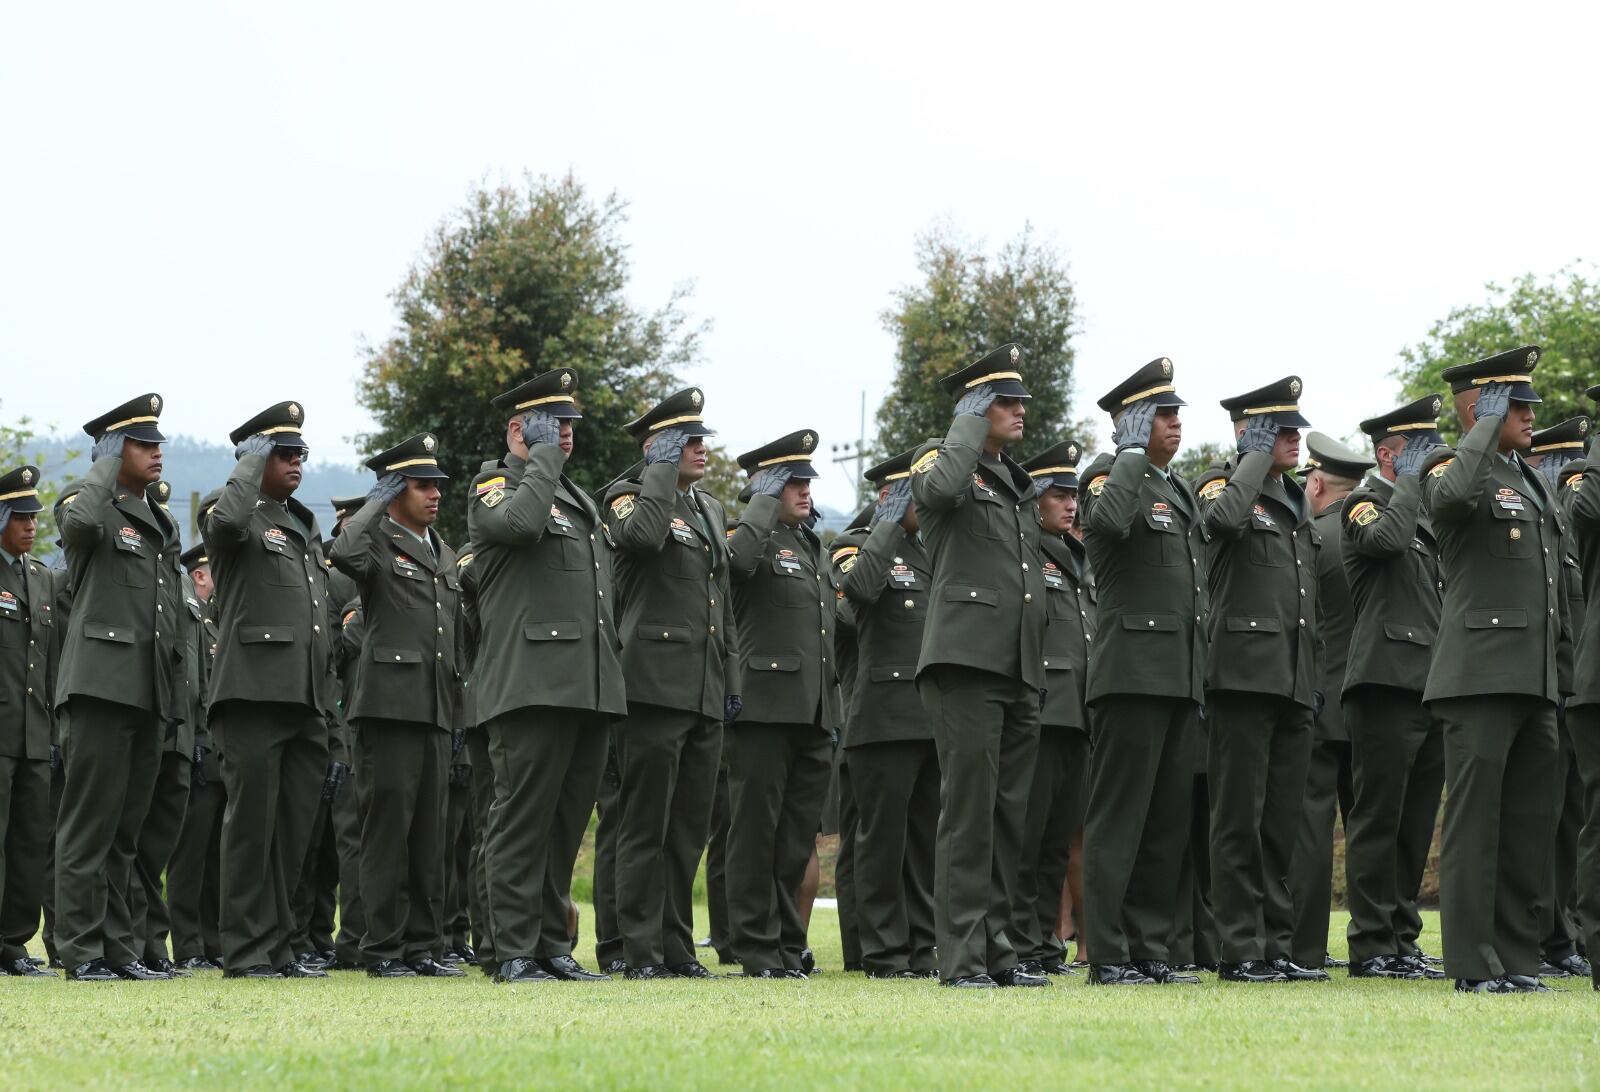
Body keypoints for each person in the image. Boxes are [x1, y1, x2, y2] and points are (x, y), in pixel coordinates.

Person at [467, 367, 624, 984]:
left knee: (563, 825)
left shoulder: (576, 498)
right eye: (553, 424)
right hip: (530, 683)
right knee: (520, 821)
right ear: (519, 430)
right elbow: (520, 526)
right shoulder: (493, 487)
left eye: (569, 425)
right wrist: (541, 462)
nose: (566, 434)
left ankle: (551, 944)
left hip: (586, 684)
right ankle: (510, 949)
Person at [1423, 346, 1565, 994]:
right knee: (1476, 826)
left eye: (1530, 402)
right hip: (1479, 676)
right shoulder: (1451, 466)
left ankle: (1515, 958)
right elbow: (1451, 500)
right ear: (1480, 409)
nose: (1531, 414)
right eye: (1516, 404)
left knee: (1526, 826)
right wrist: (1483, 426)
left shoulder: (1529, 479)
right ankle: (1473, 965)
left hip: (1534, 678)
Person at [910, 344, 1048, 989]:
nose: (1020, 411)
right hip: (965, 660)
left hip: (1017, 665)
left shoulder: (1015, 480)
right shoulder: (941, 461)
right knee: (967, 815)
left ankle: (998, 953)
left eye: (1020, 400)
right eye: (1004, 401)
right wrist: (964, 423)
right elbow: (938, 493)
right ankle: (961, 958)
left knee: (1006, 818)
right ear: (974, 407)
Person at [1077, 358, 1205, 987]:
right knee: (1119, 818)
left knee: (1164, 822)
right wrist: (1127, 452)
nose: (1175, 424)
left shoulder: (1175, 488)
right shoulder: (1106, 474)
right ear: (1131, 422)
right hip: (1130, 673)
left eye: (1177, 413)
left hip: (1178, 673)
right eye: (1161, 414)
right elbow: (1105, 524)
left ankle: (1151, 947)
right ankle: (1107, 952)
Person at [1197, 375, 1326, 984]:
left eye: (1296, 429)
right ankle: (1239, 946)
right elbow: (1222, 522)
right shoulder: (1222, 484)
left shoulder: (1295, 497)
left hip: (1293, 679)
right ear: (1249, 434)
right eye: (1281, 430)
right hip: (1243, 677)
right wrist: (1251, 456)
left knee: (1281, 824)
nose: (1295, 439)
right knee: (1238, 821)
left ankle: (1276, 944)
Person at [602, 388, 733, 980]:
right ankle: (639, 949)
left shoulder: (708, 508)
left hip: (703, 687)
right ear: (656, 447)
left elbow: (719, 599)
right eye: (687, 441)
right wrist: (657, 469)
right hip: (651, 683)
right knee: (644, 825)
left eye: (701, 438)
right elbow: (644, 538)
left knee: (686, 832)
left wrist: (729, 676)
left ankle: (677, 946)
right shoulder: (628, 497)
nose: (701, 449)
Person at [56, 394, 186, 982]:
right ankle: (80, 951)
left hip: (147, 691)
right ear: (112, 448)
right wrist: (104, 464)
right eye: (142, 443)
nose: (157, 452)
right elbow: (79, 527)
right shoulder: (87, 502)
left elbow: (168, 618)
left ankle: (119, 949)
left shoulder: (159, 519)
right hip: (100, 687)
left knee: (125, 835)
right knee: (89, 826)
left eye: (159, 443)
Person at [204, 400, 336, 979]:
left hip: (304, 698)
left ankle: (279, 947)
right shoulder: (230, 508)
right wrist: (247, 467)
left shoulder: (301, 522)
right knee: (251, 829)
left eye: (299, 453)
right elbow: (225, 527)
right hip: (253, 693)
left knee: (291, 834)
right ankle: (245, 950)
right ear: (255, 457)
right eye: (282, 453)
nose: (295, 461)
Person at [331, 433, 465, 978]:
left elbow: (453, 638)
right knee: (387, 832)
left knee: (431, 836)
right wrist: (375, 502)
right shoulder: (377, 542)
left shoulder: (443, 552)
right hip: (388, 707)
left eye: (437, 484)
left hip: (435, 708)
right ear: (393, 491)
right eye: (420, 485)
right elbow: (342, 552)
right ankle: (383, 947)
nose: (435, 494)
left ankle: (423, 946)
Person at [724, 429, 840, 978]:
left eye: (806, 481)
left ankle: (788, 945)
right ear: (765, 485)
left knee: (794, 841)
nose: (804, 490)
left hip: (811, 713)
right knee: (755, 834)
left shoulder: (811, 545)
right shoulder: (745, 535)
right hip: (764, 709)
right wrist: (761, 503)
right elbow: (736, 567)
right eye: (791, 481)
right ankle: (754, 945)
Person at [1339, 396, 1448, 980]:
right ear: (1388, 455)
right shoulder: (1363, 504)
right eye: (1418, 450)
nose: (1430, 459)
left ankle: (1403, 939)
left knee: (1414, 823)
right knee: (1378, 819)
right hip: (1383, 681)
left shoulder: (1419, 515)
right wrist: (1407, 482)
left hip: (1428, 683)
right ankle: (1371, 943)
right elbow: (1385, 543)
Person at [836, 447, 938, 980]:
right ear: (890, 496)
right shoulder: (856, 546)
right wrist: (888, 524)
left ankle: (923, 947)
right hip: (882, 718)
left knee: (924, 845)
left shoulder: (931, 550)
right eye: (914, 494)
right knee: (881, 842)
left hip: (929, 715)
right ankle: (883, 951)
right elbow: (859, 591)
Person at [1286, 435, 1372, 971]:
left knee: (1310, 829)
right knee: (1370, 827)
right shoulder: (1378, 535)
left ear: (1316, 483)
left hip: (1318, 698)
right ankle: (1376, 943)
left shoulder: (1312, 538)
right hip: (1369, 698)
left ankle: (1305, 947)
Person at [1012, 440, 1096, 978]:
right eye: (1059, 495)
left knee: (1057, 842)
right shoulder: (1024, 552)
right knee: (1029, 836)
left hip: (1078, 714)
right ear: (1035, 499)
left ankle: (1044, 944)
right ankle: (1020, 942)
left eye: (1073, 496)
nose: (1071, 505)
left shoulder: (1075, 554)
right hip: (1043, 710)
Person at [1523, 417, 1594, 980]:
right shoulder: (1556, 517)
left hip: (1568, 684)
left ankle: (1562, 931)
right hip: (1543, 686)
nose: (1562, 474)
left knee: (1570, 817)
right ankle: (1540, 933)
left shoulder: (1562, 538)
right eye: (1554, 463)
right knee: (1541, 818)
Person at [127, 480, 199, 977]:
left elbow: (194, 668)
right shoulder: (143, 582)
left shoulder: (182, 586)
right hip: (147, 723)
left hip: (181, 735)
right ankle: (130, 943)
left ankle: (153, 943)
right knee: (130, 843)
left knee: (156, 851)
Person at [0, 464, 56, 977]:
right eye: (20, 517)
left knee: (29, 840)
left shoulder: (40, 577)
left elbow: (49, 660)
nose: (31, 525)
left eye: (34, 517)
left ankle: (14, 941)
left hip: (35, 733)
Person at [167, 533, 225, 970]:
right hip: (198, 752)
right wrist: (199, 744)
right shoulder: (190, 622)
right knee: (189, 858)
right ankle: (187, 946)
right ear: (200, 576)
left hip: (222, 757)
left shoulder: (216, 625)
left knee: (216, 858)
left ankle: (212, 942)